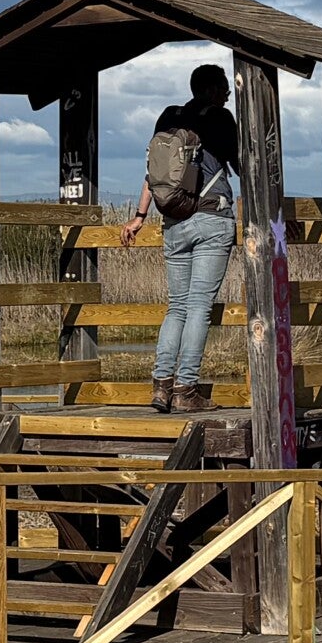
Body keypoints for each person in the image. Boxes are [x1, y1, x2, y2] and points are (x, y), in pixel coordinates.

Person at [121, 64, 238, 412]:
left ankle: (161, 388)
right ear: (213, 90)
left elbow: (154, 173)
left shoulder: (169, 117)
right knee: (199, 307)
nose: (228, 94)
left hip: (174, 222)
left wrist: (140, 216)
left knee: (177, 307)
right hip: (211, 218)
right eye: (225, 88)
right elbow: (245, 164)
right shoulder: (221, 118)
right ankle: (186, 390)